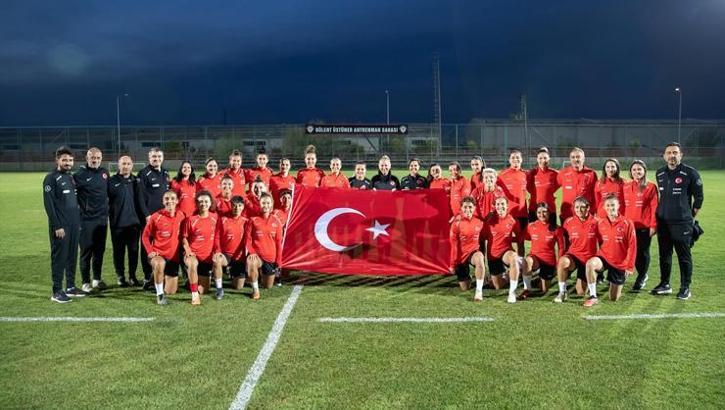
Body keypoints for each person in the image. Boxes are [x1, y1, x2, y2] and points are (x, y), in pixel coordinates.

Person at [652, 142, 704, 300]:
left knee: (683, 256)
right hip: (663, 222)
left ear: (681, 155)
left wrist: (688, 217)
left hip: (682, 222)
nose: (672, 155)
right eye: (669, 153)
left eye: (675, 152)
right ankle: (665, 284)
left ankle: (685, 287)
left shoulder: (690, 173)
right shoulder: (660, 173)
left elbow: (699, 199)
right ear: (664, 156)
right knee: (664, 255)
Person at [43, 146, 86, 302]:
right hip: (61, 226)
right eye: (65, 160)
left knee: (72, 256)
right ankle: (56, 291)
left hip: (74, 225)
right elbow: (49, 204)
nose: (68, 163)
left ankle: (70, 287)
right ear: (57, 160)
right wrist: (57, 225)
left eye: (70, 160)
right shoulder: (51, 178)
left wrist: (78, 223)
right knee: (59, 257)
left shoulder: (70, 177)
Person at [583, 195, 636, 306]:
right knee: (590, 264)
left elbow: (633, 246)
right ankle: (593, 296)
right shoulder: (600, 223)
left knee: (613, 298)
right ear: (604, 207)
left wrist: (629, 267)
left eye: (613, 205)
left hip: (619, 263)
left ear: (618, 206)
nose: (610, 208)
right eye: (607, 205)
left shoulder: (627, 223)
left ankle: (615, 281)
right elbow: (597, 240)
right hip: (604, 258)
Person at [73, 147, 110, 292]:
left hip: (102, 219)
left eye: (98, 158)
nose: (95, 160)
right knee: (86, 252)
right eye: (92, 158)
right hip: (86, 220)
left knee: (99, 251)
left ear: (101, 159)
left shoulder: (104, 173)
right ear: (87, 158)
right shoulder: (79, 175)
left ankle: (96, 279)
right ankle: (85, 282)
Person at [141, 190, 185, 305]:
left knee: (171, 291)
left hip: (173, 258)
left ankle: (151, 280)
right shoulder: (156, 217)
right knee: (160, 264)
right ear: (162, 201)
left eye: (172, 198)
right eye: (166, 199)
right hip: (158, 255)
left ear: (177, 201)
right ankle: (159, 296)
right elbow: (145, 236)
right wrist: (150, 251)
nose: (169, 201)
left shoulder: (181, 216)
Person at [554, 197, 598, 303]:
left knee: (581, 292)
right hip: (573, 257)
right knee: (563, 261)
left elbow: (602, 242)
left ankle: (591, 283)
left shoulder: (596, 222)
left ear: (588, 208)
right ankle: (562, 291)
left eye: (582, 207)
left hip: (588, 260)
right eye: (576, 207)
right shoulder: (568, 222)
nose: (579, 210)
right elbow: (564, 241)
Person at [623, 160, 658, 292]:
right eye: (634, 170)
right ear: (630, 172)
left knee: (642, 252)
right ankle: (641, 274)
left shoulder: (651, 186)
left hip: (644, 226)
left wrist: (653, 225)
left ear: (644, 171)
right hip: (629, 226)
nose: (636, 172)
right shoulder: (626, 186)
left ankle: (642, 276)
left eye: (639, 169)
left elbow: (654, 207)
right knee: (632, 252)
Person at [138, 147, 170, 290]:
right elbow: (140, 197)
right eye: (153, 157)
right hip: (150, 218)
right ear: (149, 158)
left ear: (162, 158)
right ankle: (147, 277)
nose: (156, 159)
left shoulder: (165, 172)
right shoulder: (143, 173)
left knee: (163, 244)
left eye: (158, 156)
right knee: (147, 247)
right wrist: (146, 215)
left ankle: (160, 274)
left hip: (164, 218)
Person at [108, 155, 142, 287]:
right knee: (119, 252)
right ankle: (120, 276)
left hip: (134, 224)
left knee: (133, 251)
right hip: (117, 224)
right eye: (123, 163)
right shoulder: (111, 181)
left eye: (128, 164)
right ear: (119, 165)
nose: (126, 166)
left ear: (132, 165)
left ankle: (132, 276)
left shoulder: (136, 181)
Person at [182, 191, 218, 304]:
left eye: (206, 201)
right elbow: (184, 238)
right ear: (197, 204)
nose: (203, 204)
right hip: (193, 254)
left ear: (210, 203)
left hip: (207, 258)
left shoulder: (215, 218)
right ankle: (194, 296)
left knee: (204, 290)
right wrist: (187, 250)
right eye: (200, 201)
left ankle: (191, 281)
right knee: (193, 264)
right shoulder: (191, 220)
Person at [245, 192, 284, 299]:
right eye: (263, 203)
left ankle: (259, 275)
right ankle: (255, 290)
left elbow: (278, 243)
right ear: (259, 204)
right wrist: (252, 252)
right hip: (257, 256)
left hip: (270, 258)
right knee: (251, 261)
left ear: (271, 204)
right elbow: (247, 240)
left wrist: (279, 262)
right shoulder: (252, 220)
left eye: (268, 203)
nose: (265, 205)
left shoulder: (277, 222)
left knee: (267, 286)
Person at [483, 197, 522, 302]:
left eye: (503, 204)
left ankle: (512, 292)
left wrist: (520, 258)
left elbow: (519, 239)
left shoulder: (512, 220)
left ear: (507, 206)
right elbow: (482, 238)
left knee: (514, 258)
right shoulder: (489, 220)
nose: (500, 206)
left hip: (506, 252)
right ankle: (507, 275)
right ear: (495, 206)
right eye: (498, 204)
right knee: (498, 286)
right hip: (493, 255)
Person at [522, 203, 565, 296]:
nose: (541, 214)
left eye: (544, 212)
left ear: (549, 213)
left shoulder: (557, 229)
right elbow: (523, 237)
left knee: (544, 290)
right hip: (535, 259)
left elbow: (561, 248)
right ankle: (526, 289)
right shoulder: (531, 226)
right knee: (528, 260)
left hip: (548, 262)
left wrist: (558, 265)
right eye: (539, 212)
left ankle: (539, 279)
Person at [449, 197, 486, 299]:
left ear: (474, 208)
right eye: (465, 207)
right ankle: (469, 277)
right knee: (465, 287)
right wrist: (452, 264)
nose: (468, 209)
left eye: (470, 207)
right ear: (461, 208)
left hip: (473, 252)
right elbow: (453, 245)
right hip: (460, 257)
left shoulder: (479, 222)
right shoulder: (456, 224)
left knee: (479, 258)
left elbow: (487, 236)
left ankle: (479, 291)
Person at [212, 196, 249, 293]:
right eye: (234, 205)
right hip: (226, 255)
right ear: (231, 206)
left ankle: (232, 274)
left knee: (238, 286)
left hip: (239, 257)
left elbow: (249, 240)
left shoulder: (246, 222)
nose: (237, 208)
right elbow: (217, 237)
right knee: (217, 260)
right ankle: (219, 288)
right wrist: (218, 251)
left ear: (243, 207)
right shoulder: (223, 219)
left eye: (239, 205)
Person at [498, 148, 528, 256]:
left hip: (522, 213)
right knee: (506, 240)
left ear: (521, 159)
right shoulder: (502, 175)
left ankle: (520, 263)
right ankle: (507, 263)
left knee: (521, 241)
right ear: (509, 160)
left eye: (518, 157)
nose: (515, 159)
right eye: (513, 157)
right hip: (508, 213)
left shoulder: (526, 174)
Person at [558, 147, 597, 224]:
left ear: (583, 159)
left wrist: (594, 212)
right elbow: (550, 188)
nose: (576, 159)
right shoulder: (563, 173)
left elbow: (595, 195)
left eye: (578, 157)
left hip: (585, 215)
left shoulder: (591, 174)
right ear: (570, 159)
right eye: (573, 157)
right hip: (567, 214)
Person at [526, 147, 559, 225]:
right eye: (540, 158)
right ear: (537, 159)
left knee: (551, 232)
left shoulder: (555, 174)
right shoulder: (531, 174)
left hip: (550, 210)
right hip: (534, 209)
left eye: (545, 158)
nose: (543, 160)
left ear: (549, 158)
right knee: (534, 232)